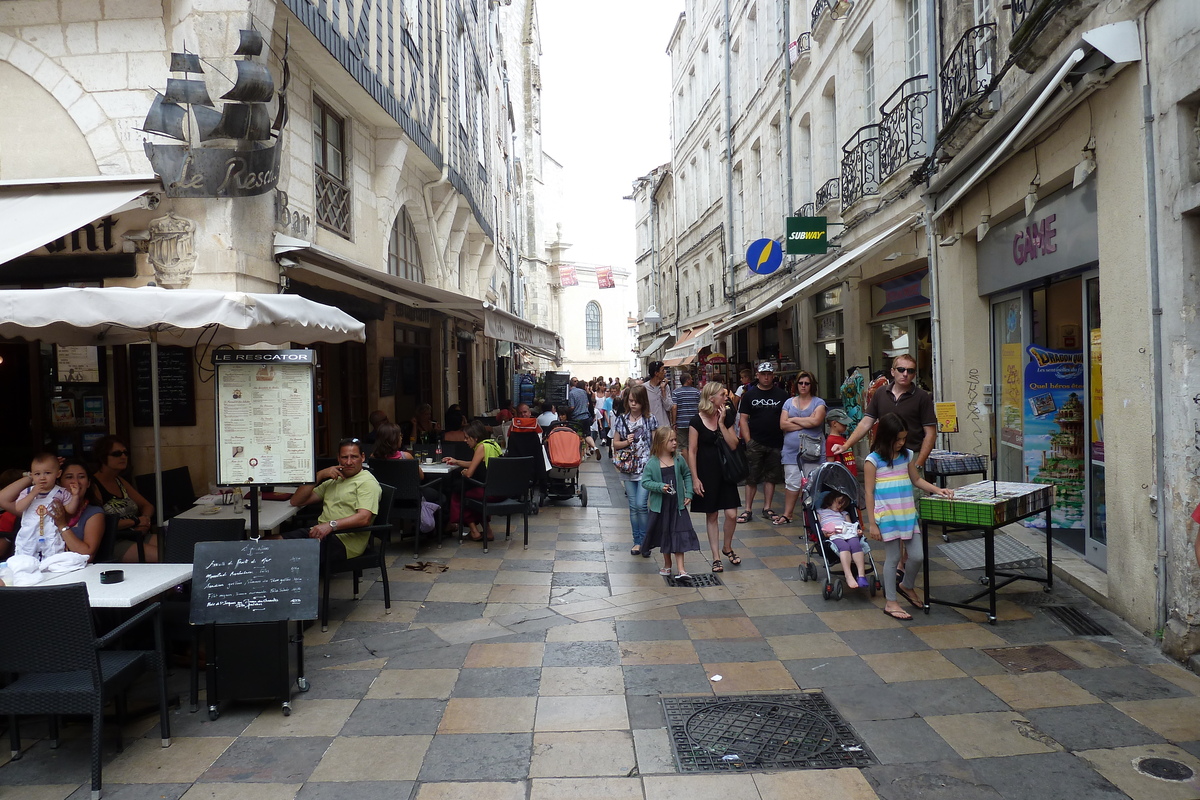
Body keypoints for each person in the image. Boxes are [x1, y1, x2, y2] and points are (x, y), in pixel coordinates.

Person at [864, 413, 953, 621]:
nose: (902, 443)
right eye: (898, 439)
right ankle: (891, 602)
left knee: (917, 555)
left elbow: (916, 480)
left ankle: (907, 585)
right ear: (886, 437)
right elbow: (868, 492)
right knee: (893, 558)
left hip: (907, 514)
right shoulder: (873, 461)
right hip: (887, 516)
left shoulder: (907, 455)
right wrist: (872, 523)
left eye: (904, 438)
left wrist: (937, 490)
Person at [831, 353, 937, 470]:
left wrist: (919, 463)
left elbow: (930, 433)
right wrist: (846, 445)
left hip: (911, 457)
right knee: (883, 488)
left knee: (912, 488)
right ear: (892, 371)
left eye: (910, 371)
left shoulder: (922, 396)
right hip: (883, 456)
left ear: (914, 374)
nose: (905, 374)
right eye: (901, 370)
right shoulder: (880, 393)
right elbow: (866, 423)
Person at [286, 438, 382, 560]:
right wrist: (319, 475)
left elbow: (364, 518)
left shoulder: (367, 482)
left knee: (284, 551)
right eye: (344, 457)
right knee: (270, 542)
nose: (348, 462)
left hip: (344, 542)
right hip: (320, 534)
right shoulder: (335, 480)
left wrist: (330, 525)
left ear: (362, 457)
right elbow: (296, 501)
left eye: (354, 457)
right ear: (338, 458)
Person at [687, 381, 743, 573]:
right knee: (712, 515)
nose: (726, 397)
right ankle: (716, 557)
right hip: (706, 472)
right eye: (722, 394)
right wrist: (694, 478)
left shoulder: (725, 417)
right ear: (711, 398)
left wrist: (721, 423)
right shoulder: (696, 421)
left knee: (732, 514)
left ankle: (727, 546)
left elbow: (734, 444)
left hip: (725, 472)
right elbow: (692, 451)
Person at [641, 428, 700, 581]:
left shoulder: (679, 459)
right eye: (671, 440)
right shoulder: (652, 463)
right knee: (664, 535)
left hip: (677, 506)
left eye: (675, 439)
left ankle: (681, 569)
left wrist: (689, 493)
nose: (675, 443)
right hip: (661, 507)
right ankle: (667, 564)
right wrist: (660, 487)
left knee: (679, 534)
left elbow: (687, 475)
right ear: (661, 443)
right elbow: (645, 482)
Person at [90, 436, 158, 562]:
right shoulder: (94, 485)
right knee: (161, 556)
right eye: (116, 454)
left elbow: (147, 506)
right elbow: (102, 524)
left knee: (175, 548)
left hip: (136, 534)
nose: (123, 457)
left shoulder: (119, 480)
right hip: (113, 541)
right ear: (102, 457)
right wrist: (136, 521)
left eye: (125, 453)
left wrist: (146, 521)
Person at [737, 362, 790, 523]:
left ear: (773, 376)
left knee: (771, 477)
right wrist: (748, 441)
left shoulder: (782, 395)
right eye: (763, 374)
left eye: (769, 374)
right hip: (756, 442)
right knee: (751, 477)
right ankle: (747, 509)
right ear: (758, 376)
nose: (766, 377)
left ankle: (767, 507)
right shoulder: (749, 395)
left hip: (775, 442)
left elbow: (787, 417)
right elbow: (743, 419)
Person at [0, 453, 78, 560]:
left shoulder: (61, 492)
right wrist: (32, 494)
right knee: (25, 561)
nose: (42, 477)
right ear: (31, 475)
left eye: (47, 473)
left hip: (51, 534)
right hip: (29, 535)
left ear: (58, 474)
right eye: (37, 474)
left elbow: (70, 510)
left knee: (54, 560)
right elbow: (19, 508)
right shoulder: (27, 491)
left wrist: (75, 496)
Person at [611, 384, 658, 555]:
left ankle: (645, 541)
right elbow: (615, 444)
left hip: (645, 467)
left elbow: (655, 443)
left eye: (636, 402)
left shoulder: (650, 419)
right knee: (633, 507)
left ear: (643, 402)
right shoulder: (621, 419)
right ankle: (637, 541)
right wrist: (627, 441)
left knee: (641, 505)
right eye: (631, 401)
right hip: (627, 466)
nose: (633, 405)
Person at [777, 371, 827, 526]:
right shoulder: (788, 402)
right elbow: (782, 424)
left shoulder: (818, 402)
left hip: (814, 450)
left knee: (813, 483)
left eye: (807, 383)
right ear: (796, 384)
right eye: (801, 383)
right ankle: (788, 514)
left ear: (812, 385)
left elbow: (816, 421)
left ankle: (814, 514)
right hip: (791, 451)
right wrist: (807, 420)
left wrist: (794, 419)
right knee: (792, 482)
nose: (803, 386)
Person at [444, 420, 503, 541]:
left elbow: (470, 473)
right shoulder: (492, 444)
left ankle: (472, 530)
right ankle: (488, 531)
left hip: (489, 492)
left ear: (475, 437)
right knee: (471, 495)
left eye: (467, 438)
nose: (465, 441)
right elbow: (476, 463)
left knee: (458, 492)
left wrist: (465, 472)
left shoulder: (481, 447)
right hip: (499, 490)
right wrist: (456, 461)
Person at [47, 459, 106, 562]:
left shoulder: (94, 513)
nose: (76, 482)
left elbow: (87, 555)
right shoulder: (46, 508)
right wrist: (45, 470)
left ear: (88, 483)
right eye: (69, 477)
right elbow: (8, 502)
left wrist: (62, 525)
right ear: (58, 483)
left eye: (81, 477)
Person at [818, 490, 869, 590]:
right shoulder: (820, 512)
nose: (840, 507)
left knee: (855, 544)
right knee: (844, 547)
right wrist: (825, 533)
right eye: (839, 503)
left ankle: (861, 575)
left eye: (844, 505)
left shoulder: (844, 513)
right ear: (831, 499)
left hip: (846, 530)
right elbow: (821, 526)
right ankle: (848, 575)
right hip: (834, 532)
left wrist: (857, 531)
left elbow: (850, 525)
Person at [567, 378, 599, 457]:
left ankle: (579, 454)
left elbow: (572, 407)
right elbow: (588, 404)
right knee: (587, 435)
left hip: (576, 418)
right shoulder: (584, 392)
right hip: (585, 416)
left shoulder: (571, 393)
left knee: (577, 436)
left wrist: (567, 410)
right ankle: (594, 447)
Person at [644, 361, 677, 434]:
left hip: (664, 426)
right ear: (656, 373)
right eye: (662, 370)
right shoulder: (644, 388)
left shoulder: (665, 387)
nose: (665, 372)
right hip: (650, 427)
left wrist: (663, 390)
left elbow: (668, 407)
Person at [825, 408, 858, 477]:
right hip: (842, 477)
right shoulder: (830, 440)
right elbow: (830, 462)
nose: (846, 426)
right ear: (834, 423)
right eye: (843, 424)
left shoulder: (843, 438)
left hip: (851, 474)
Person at [673, 372, 701, 453]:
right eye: (691, 379)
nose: (692, 380)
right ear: (688, 380)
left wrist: (674, 423)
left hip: (681, 422)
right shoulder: (696, 392)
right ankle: (694, 462)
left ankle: (687, 464)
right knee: (694, 443)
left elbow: (674, 407)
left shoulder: (676, 392)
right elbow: (700, 407)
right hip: (695, 422)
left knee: (683, 445)